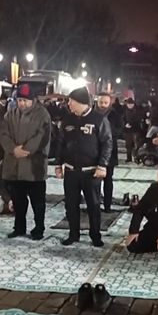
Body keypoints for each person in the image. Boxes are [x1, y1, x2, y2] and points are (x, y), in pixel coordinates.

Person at [55, 87, 112, 247]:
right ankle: (74, 234)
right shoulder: (67, 120)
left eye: (71, 101)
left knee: (93, 205)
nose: (69, 104)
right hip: (71, 171)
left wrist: (103, 165)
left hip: (91, 171)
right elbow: (60, 143)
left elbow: (107, 143)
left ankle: (95, 235)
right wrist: (58, 165)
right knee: (70, 204)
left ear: (81, 102)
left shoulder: (98, 120)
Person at [0, 83, 51, 240]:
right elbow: (3, 134)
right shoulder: (10, 114)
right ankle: (19, 227)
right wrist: (13, 149)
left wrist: (25, 150)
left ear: (33, 100)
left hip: (34, 166)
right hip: (14, 166)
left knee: (37, 202)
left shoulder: (43, 115)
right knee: (18, 200)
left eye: (25, 101)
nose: (22, 104)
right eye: (20, 100)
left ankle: (39, 228)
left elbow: (42, 137)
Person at [95, 92, 123, 212]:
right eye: (101, 102)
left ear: (109, 103)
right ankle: (94, 204)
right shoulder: (91, 114)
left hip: (110, 151)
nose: (103, 105)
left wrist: (107, 134)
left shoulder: (114, 115)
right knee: (94, 181)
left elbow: (119, 130)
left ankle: (107, 205)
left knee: (108, 179)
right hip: (94, 151)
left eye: (105, 103)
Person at [123, 98, 142, 163]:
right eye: (129, 104)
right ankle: (129, 158)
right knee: (128, 145)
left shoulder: (137, 110)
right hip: (127, 130)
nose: (130, 105)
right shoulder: (124, 110)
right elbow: (122, 119)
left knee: (136, 144)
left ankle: (136, 158)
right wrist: (125, 124)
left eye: (131, 104)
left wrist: (132, 124)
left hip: (135, 129)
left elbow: (138, 119)